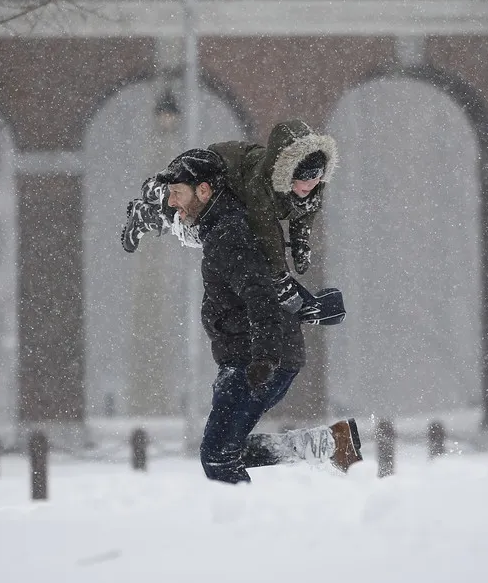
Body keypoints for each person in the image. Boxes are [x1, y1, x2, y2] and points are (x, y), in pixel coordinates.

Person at [153, 148, 362, 484]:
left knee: (219, 456)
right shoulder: (220, 227)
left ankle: (241, 526)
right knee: (223, 449)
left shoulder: (228, 234)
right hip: (254, 356)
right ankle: (331, 443)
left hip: (256, 359)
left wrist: (263, 358)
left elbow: (260, 295)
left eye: (177, 194)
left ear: (204, 191)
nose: (173, 203)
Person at [122, 119, 342, 324]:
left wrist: (301, 243)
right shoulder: (261, 185)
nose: (312, 182)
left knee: (221, 232)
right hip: (225, 181)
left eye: (318, 176)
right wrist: (281, 277)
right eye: (306, 176)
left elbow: (306, 213)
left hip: (241, 196)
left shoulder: (313, 187)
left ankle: (155, 202)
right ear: (288, 172)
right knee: (199, 227)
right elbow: (267, 230)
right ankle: (152, 203)